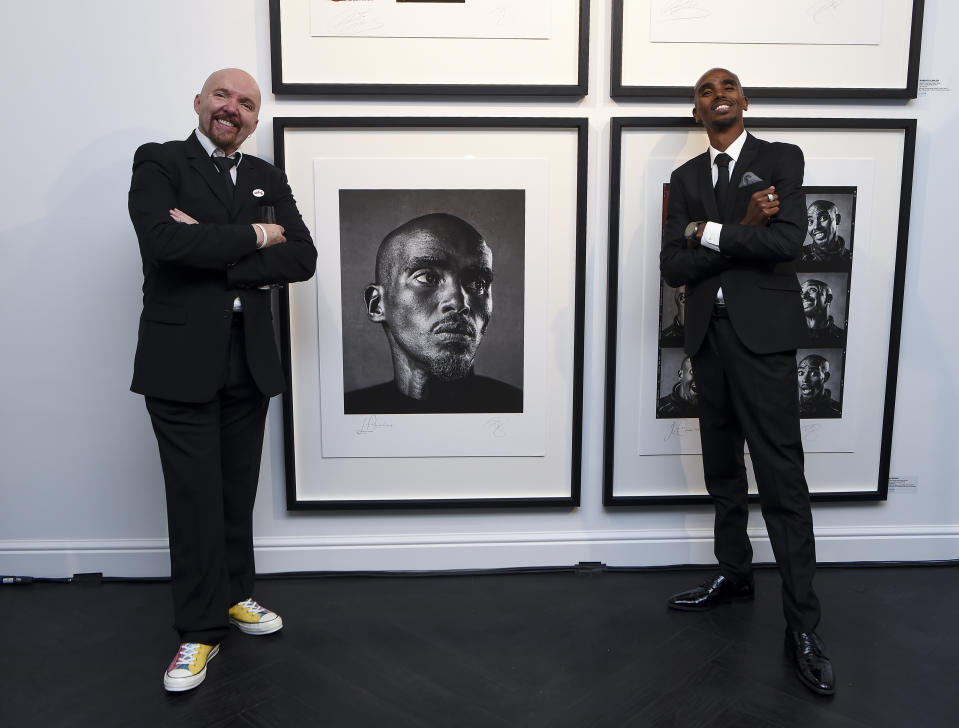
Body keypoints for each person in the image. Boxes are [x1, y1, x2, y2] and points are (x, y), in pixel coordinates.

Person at [128, 68, 317, 692]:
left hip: (249, 360)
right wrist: (258, 238)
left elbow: (303, 258)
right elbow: (163, 245)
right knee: (194, 498)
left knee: (236, 491)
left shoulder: (266, 175)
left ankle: (237, 596)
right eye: (222, 96)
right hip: (179, 360)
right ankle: (199, 630)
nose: (232, 108)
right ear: (199, 103)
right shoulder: (159, 162)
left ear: (256, 119)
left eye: (247, 103)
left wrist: (212, 246)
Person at [659, 68, 835, 695]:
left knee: (781, 477)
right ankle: (734, 577)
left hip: (764, 342)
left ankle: (803, 626)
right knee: (723, 472)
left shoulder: (780, 158)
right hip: (708, 339)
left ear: (744, 99)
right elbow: (673, 267)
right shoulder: (683, 179)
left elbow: (787, 241)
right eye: (705, 91)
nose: (718, 95)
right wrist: (743, 231)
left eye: (727, 85)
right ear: (697, 109)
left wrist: (706, 232)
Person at [344, 212, 522, 414]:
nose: (459, 302)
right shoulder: (348, 414)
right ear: (376, 304)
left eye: (477, 283)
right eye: (428, 278)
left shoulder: (520, 410)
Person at [801, 200, 852, 266]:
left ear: (837, 219)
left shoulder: (852, 259)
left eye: (823, 218)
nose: (816, 227)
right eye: (810, 221)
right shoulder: (798, 256)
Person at [801, 278, 845, 345]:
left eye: (812, 290)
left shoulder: (843, 338)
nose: (803, 296)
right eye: (801, 292)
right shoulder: (791, 337)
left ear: (828, 298)